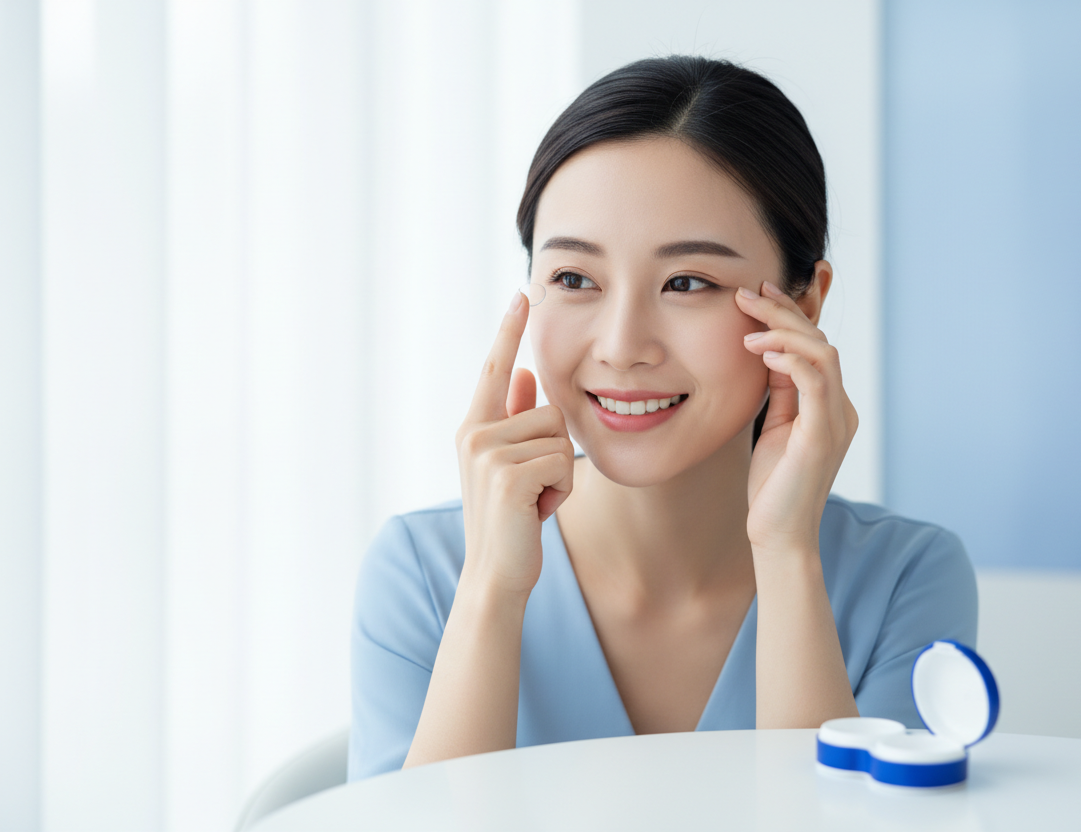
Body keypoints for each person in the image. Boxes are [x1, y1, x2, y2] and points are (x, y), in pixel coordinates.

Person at [348, 55, 976, 781]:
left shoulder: (906, 580)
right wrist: (490, 587)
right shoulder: (424, 575)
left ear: (802, 307)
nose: (620, 348)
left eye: (687, 282)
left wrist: (786, 557)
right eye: (574, 278)